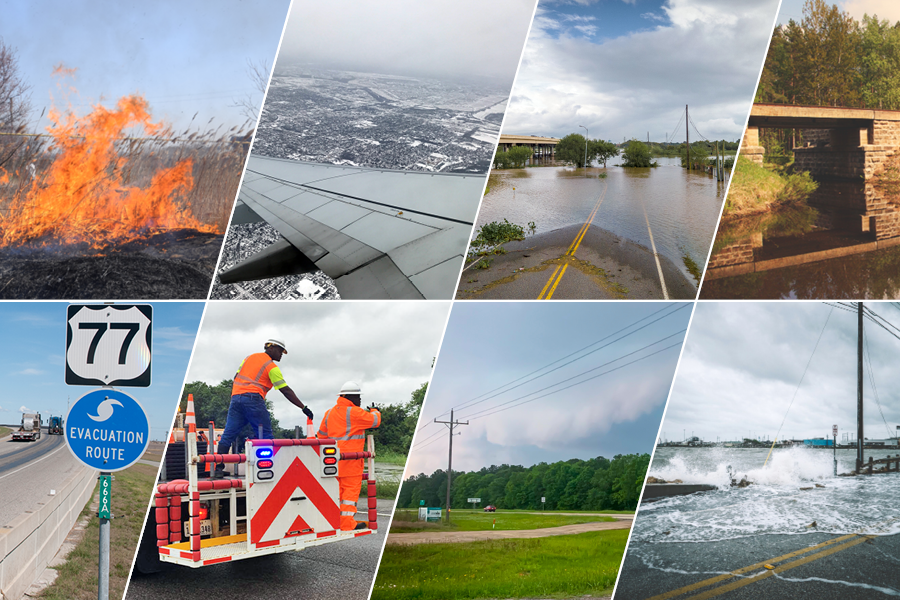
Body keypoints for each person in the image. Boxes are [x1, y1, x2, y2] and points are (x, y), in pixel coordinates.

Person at [216, 339, 313, 454]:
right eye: (280, 351)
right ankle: (268, 463)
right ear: (271, 348)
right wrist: (303, 407)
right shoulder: (271, 367)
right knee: (265, 435)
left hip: (236, 399)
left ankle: (219, 463)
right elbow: (286, 390)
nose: (281, 354)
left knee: (229, 433)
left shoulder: (249, 358)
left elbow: (236, 376)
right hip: (253, 400)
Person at [317, 381, 381, 530]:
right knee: (349, 495)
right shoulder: (355, 412)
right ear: (350, 397)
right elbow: (375, 421)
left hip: (332, 462)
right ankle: (346, 523)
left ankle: (333, 522)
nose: (360, 400)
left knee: (336, 494)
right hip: (351, 462)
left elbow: (321, 436)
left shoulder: (329, 413)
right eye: (358, 397)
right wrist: (375, 410)